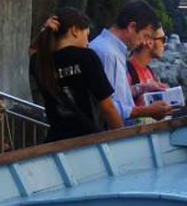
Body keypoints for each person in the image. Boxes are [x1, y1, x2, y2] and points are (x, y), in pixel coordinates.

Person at [31, 8, 122, 141]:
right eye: (87, 35)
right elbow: (107, 107)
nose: (87, 42)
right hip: (87, 140)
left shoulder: (40, 62)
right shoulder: (86, 57)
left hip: (55, 141)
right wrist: (122, 137)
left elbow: (32, 50)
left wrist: (44, 29)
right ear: (74, 30)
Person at [88, 0, 175, 123]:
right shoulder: (108, 54)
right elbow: (106, 108)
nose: (145, 42)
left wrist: (142, 88)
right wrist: (147, 111)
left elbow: (115, 95)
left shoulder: (110, 48)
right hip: (114, 137)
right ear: (132, 27)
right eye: (145, 35)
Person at [128, 31, 169, 109]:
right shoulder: (125, 69)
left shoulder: (149, 70)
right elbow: (117, 99)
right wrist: (143, 88)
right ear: (149, 42)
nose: (165, 44)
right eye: (163, 40)